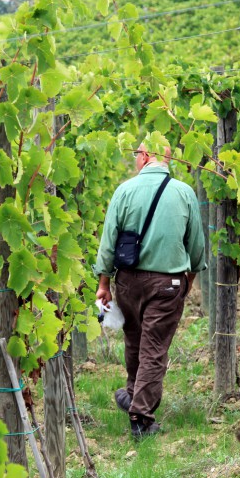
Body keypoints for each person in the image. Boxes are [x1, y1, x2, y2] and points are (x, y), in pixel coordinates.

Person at [94, 145, 206, 440]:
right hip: (167, 283)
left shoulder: (124, 191)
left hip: (128, 281)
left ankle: (134, 397)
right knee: (154, 348)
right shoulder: (184, 193)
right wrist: (188, 280)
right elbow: (196, 246)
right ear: (167, 158)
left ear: (144, 157)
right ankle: (141, 417)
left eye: (136, 156)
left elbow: (108, 241)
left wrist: (104, 284)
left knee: (135, 341)